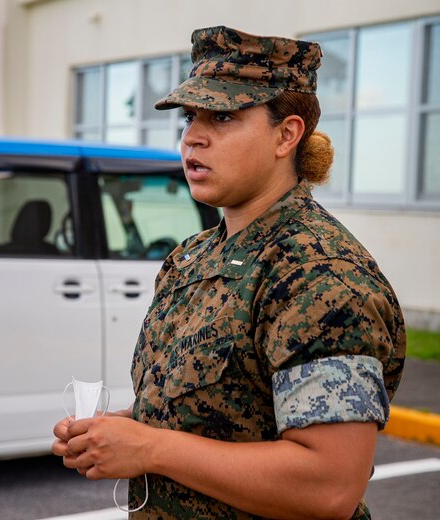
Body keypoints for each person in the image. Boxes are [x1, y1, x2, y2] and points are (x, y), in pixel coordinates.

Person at [52, 25, 406, 520]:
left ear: (287, 135)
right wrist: (123, 430)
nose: (193, 136)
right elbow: (221, 408)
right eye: (191, 116)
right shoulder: (194, 257)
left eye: (222, 116)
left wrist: (151, 449)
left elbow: (329, 486)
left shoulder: (319, 275)